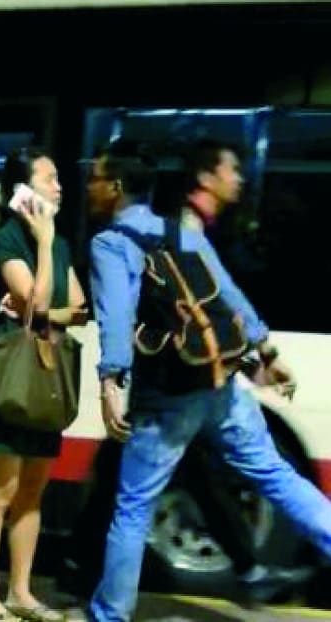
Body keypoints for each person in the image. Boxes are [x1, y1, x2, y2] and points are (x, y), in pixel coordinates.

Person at [84, 139, 331, 622]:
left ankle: (109, 615)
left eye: (95, 177)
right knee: (279, 477)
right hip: (219, 385)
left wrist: (112, 383)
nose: (90, 185)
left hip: (166, 396)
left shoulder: (112, 243)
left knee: (133, 506)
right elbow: (230, 295)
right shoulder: (181, 231)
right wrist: (264, 353)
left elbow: (114, 319)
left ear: (115, 186)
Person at [0, 147, 88, 622]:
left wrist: (40, 309)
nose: (59, 186)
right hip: (10, 375)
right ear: (23, 190)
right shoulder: (8, 239)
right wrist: (41, 244)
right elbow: (36, 300)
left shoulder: (59, 243)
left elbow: (77, 307)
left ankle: (21, 590)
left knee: (33, 491)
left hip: (46, 373)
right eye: (49, 178)